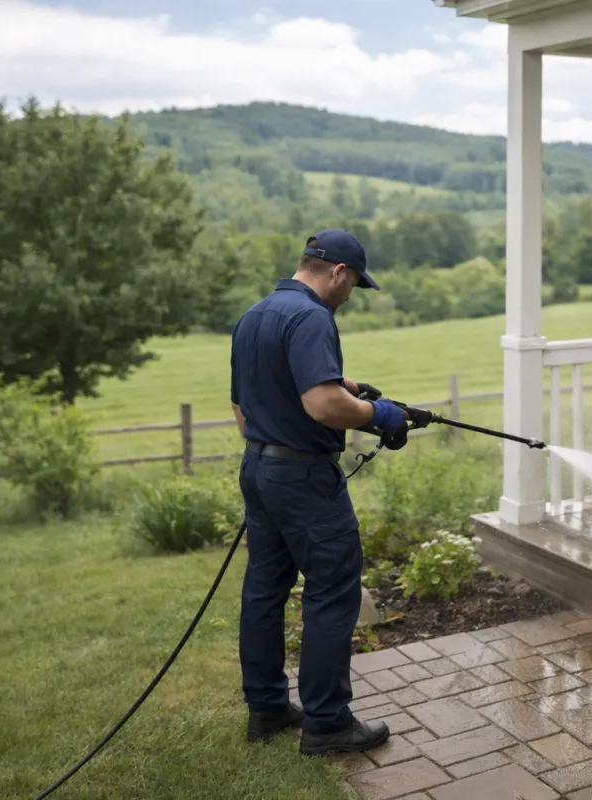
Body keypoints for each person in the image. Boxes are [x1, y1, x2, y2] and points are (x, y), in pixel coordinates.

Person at [229, 228, 411, 757]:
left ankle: (266, 710)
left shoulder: (255, 315)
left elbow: (245, 408)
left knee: (264, 589)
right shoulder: (312, 317)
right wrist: (382, 415)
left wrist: (344, 385)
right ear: (336, 272)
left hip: (259, 468)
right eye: (353, 282)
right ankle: (328, 725)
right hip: (304, 480)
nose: (351, 293)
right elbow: (322, 407)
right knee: (332, 591)